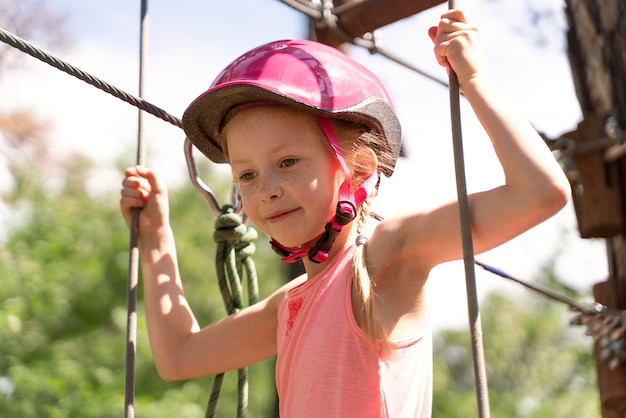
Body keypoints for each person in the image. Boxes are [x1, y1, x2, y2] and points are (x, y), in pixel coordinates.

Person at [120, 8, 570, 417]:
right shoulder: (290, 305)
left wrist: (475, 78)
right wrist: (156, 232)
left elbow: (539, 194)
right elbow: (180, 356)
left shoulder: (386, 256)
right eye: (248, 175)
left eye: (288, 162)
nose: (268, 190)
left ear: (359, 168)